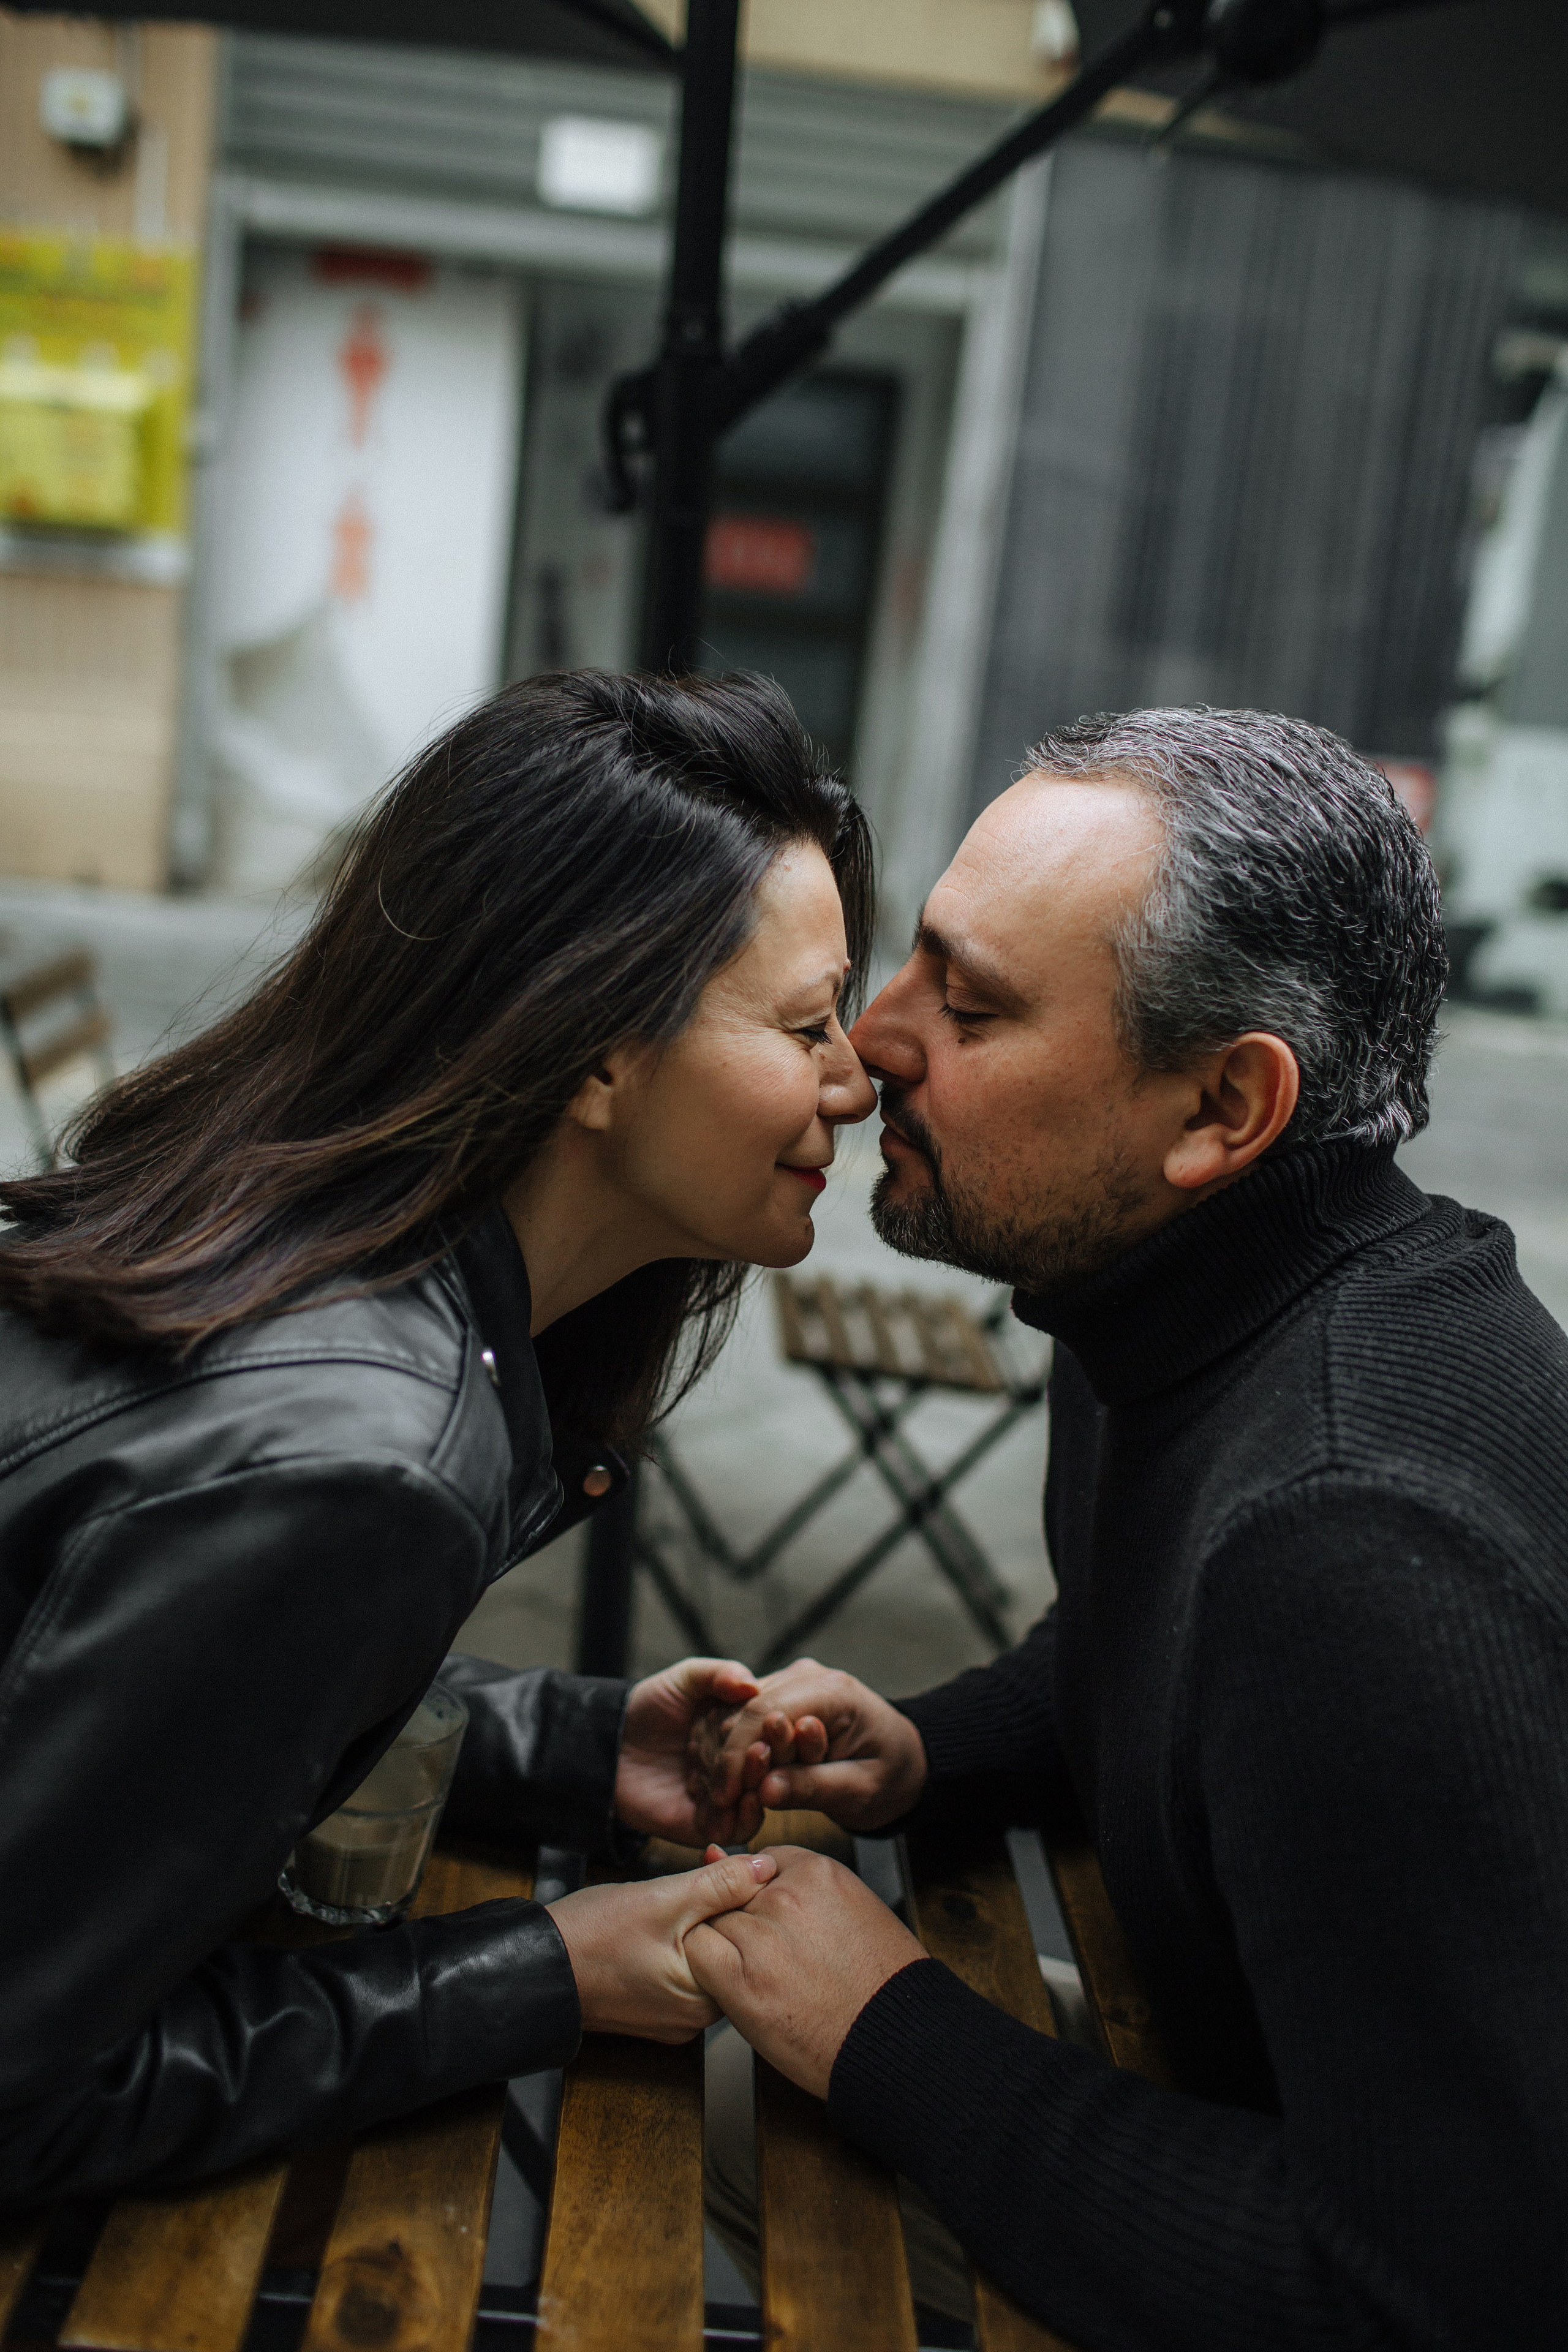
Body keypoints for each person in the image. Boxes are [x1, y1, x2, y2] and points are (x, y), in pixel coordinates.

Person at [694, 707, 1568, 2351]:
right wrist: (939, 1753)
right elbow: (1151, 1642)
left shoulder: (1347, 1537)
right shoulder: (1185, 1295)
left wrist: (881, 2025)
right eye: (915, 963)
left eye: (970, 1006)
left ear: (1222, 1107)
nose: (870, 1042)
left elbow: (1433, 2301)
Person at [0, 668, 876, 2204]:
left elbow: (116, 1665)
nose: (855, 1082)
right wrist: (547, 1968)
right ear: (594, 1052)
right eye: (807, 1024)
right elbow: (29, 2095)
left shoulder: (289, 1215)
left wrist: (562, 1746)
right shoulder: (370, 1463)